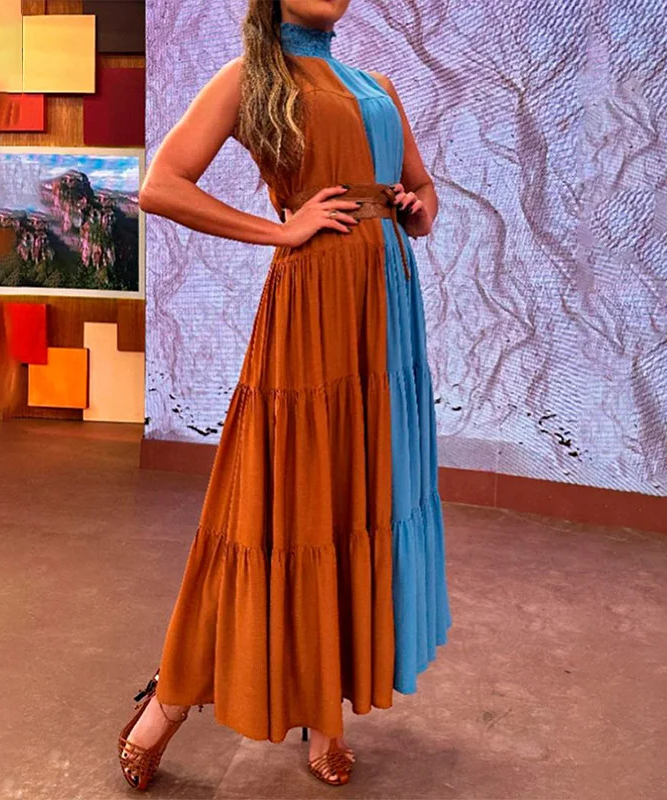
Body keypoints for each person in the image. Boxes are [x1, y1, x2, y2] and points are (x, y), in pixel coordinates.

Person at [118, 0, 452, 790]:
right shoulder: (251, 79)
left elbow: (423, 188)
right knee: (282, 505)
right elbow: (162, 186)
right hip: (313, 313)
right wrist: (280, 230)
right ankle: (168, 700)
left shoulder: (378, 85)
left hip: (386, 317)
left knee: (353, 499)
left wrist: (417, 210)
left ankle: (324, 714)